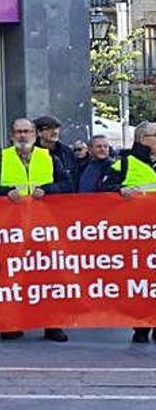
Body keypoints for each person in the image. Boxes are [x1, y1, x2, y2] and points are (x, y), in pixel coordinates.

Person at [0, 118, 71, 342]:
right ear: (12, 135)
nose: (23, 136)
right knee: (12, 278)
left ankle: (53, 325)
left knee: (50, 278)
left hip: (45, 229)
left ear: (34, 134)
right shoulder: (1, 159)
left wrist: (49, 190)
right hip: (12, 230)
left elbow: (67, 186)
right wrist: (5, 192)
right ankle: (12, 324)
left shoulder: (49, 158)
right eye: (19, 132)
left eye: (27, 131)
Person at [103, 122, 156, 343]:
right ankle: (141, 326)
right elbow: (101, 191)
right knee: (141, 282)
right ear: (143, 139)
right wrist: (119, 190)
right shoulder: (123, 164)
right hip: (137, 237)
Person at [34, 115, 78, 192]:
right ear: (39, 132)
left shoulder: (67, 152)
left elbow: (73, 180)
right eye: (49, 129)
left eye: (57, 128)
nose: (55, 132)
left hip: (64, 200)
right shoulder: (30, 152)